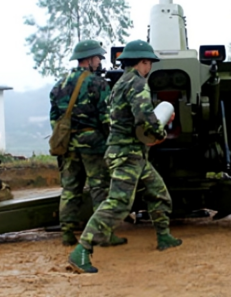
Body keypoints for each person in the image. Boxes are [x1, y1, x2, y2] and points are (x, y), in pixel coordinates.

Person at [68, 39, 182, 274]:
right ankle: (81, 250)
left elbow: (127, 118)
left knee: (158, 193)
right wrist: (159, 131)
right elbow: (144, 118)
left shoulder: (120, 83)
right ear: (143, 62)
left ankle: (164, 237)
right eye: (149, 63)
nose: (149, 67)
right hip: (127, 155)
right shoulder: (138, 83)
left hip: (130, 153)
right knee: (118, 204)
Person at [50, 39, 112, 246]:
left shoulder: (59, 85)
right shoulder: (98, 84)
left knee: (70, 189)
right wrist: (111, 140)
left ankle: (67, 234)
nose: (100, 61)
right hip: (93, 144)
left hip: (68, 145)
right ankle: (101, 235)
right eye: (98, 57)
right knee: (99, 187)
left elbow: (54, 119)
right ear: (89, 59)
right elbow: (106, 119)